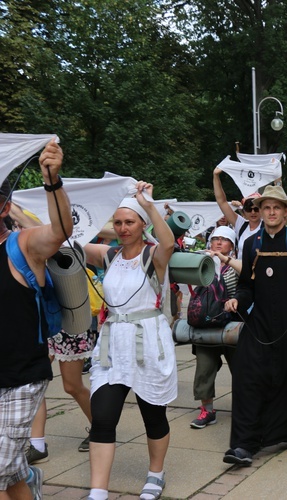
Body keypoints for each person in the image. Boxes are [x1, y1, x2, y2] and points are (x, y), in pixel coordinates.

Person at [84, 183, 176, 500]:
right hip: (112, 346)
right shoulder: (108, 255)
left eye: (129, 222)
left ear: (141, 225)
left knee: (153, 415)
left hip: (148, 342)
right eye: (118, 222)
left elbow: (168, 241)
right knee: (103, 417)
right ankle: (98, 490)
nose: (123, 229)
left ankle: (156, 473)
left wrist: (147, 204)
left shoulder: (155, 255)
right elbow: (68, 238)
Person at [223, 185, 287, 466]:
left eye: (276, 208)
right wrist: (237, 302)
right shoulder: (251, 244)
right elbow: (246, 287)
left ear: (286, 211)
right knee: (248, 378)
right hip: (260, 326)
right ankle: (244, 443)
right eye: (265, 208)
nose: (270, 212)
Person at [1, 140, 71, 500]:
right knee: (8, 472)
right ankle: (27, 477)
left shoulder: (23, 245)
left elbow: (59, 233)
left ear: (4, 206)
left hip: (21, 378)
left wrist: (52, 181)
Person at [189, 226, 239, 429]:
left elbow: (247, 287)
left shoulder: (236, 264)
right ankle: (207, 410)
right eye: (215, 239)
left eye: (224, 239)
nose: (218, 243)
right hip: (206, 323)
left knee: (242, 367)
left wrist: (235, 299)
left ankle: (248, 406)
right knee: (204, 367)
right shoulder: (201, 263)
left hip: (232, 323)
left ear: (232, 245)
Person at [213, 166, 262, 258]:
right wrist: (216, 176)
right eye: (248, 209)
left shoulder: (267, 226)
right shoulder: (241, 225)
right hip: (241, 271)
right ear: (244, 211)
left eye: (256, 209)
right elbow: (222, 202)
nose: (252, 212)